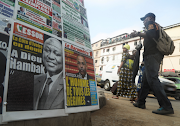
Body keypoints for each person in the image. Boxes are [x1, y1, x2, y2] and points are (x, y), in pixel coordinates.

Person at [131, 13, 174, 115]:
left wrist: (138, 34)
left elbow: (151, 35)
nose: (144, 21)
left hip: (152, 55)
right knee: (146, 81)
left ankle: (166, 106)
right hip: (151, 56)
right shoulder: (155, 26)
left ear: (150, 18)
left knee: (153, 79)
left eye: (144, 19)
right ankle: (141, 102)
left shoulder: (151, 23)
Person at [34, 38, 64, 110]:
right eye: (47, 50)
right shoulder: (35, 79)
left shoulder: (66, 84)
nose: (50, 57)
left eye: (57, 54)